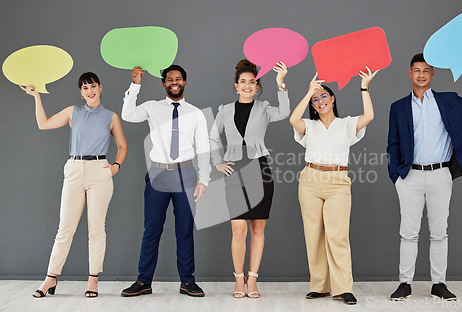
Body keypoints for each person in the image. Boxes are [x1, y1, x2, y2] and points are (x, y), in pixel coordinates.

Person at [387, 53, 462, 301]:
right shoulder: (398, 107)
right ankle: (404, 283)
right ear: (410, 73)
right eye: (417, 70)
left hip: (441, 174)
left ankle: (438, 283)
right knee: (408, 233)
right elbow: (393, 144)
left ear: (433, 74)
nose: (421, 74)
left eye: (426, 70)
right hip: (410, 176)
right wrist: (396, 176)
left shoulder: (450, 101)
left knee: (439, 232)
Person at [21, 72, 127, 298]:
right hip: (74, 168)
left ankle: (93, 281)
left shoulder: (111, 116)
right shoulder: (73, 112)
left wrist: (116, 165)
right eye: (85, 88)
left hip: (100, 171)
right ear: (81, 92)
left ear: (100, 87)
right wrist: (36, 97)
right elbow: (44, 124)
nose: (90, 91)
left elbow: (122, 146)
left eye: (93, 86)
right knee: (65, 228)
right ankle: (50, 279)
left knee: (96, 229)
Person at [120, 65, 211, 298]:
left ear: (185, 82)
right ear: (163, 84)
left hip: (187, 174)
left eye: (178, 78)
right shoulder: (152, 107)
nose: (174, 82)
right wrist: (135, 85)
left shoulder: (196, 113)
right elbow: (127, 115)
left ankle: (187, 282)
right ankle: (144, 282)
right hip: (158, 174)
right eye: (169, 79)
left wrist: (204, 180)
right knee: (151, 230)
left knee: (185, 231)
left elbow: (203, 150)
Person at [289, 68, 377, 305]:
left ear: (333, 98)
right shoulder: (309, 125)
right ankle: (319, 286)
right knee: (313, 236)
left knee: (337, 236)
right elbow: (293, 120)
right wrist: (309, 92)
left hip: (338, 181)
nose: (320, 101)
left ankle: (343, 288)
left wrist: (364, 86)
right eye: (316, 100)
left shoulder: (347, 125)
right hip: (310, 179)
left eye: (324, 96)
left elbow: (368, 116)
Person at [209, 59, 289, 298]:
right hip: (234, 170)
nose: (247, 85)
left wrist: (281, 84)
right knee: (238, 228)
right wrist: (217, 162)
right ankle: (238, 279)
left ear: (257, 86)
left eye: (251, 82)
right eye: (242, 82)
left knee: (258, 227)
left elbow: (284, 112)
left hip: (259, 169)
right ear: (236, 86)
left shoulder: (264, 108)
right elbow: (213, 138)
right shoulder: (224, 110)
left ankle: (252, 279)